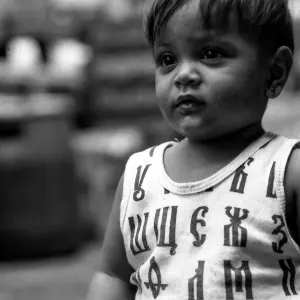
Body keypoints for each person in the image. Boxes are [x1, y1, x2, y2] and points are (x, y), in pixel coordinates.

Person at [86, 0, 300, 299]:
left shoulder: (285, 171)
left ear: (274, 72)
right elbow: (113, 275)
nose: (183, 74)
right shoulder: (140, 177)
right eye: (167, 59)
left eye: (210, 54)